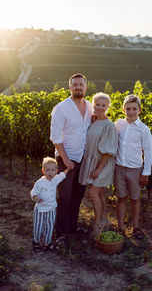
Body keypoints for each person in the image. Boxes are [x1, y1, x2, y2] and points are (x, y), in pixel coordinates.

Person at [50, 73, 93, 245]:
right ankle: (60, 232)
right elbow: (55, 137)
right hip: (65, 158)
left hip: (83, 157)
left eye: (80, 84)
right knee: (65, 196)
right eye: (74, 84)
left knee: (77, 195)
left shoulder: (90, 107)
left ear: (85, 87)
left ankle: (72, 226)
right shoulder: (61, 108)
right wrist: (66, 159)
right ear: (69, 87)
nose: (78, 87)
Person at [79, 92, 118, 238]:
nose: (100, 107)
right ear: (93, 105)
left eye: (103, 105)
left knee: (93, 193)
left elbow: (108, 152)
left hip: (103, 164)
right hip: (93, 161)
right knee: (100, 193)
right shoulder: (93, 121)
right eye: (97, 104)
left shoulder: (109, 126)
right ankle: (104, 220)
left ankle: (96, 224)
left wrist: (98, 168)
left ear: (108, 107)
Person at [114, 94, 152, 239]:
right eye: (128, 108)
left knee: (135, 198)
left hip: (135, 169)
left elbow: (148, 152)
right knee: (121, 198)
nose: (131, 112)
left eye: (134, 109)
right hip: (119, 168)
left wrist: (145, 173)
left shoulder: (144, 130)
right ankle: (120, 228)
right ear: (124, 109)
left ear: (139, 110)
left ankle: (136, 227)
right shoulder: (118, 124)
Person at [30, 157, 69, 252]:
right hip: (40, 209)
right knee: (39, 226)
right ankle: (36, 242)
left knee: (49, 226)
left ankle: (46, 243)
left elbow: (62, 176)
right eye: (47, 170)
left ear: (56, 171)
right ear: (43, 171)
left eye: (52, 170)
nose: (50, 173)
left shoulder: (55, 180)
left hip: (51, 209)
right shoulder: (40, 182)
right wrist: (35, 197)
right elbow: (33, 192)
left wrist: (68, 169)